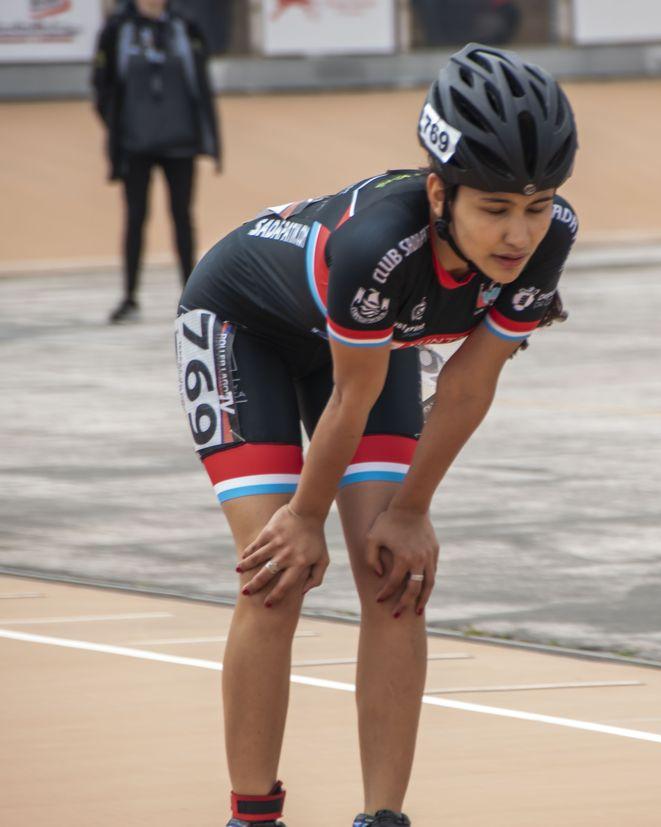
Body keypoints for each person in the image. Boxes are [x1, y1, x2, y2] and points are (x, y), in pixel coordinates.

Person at [173, 43, 578, 827]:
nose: (519, 234)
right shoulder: (378, 244)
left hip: (373, 345)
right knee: (276, 574)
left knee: (396, 575)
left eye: (537, 206)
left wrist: (412, 510)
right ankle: (252, 816)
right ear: (439, 192)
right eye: (495, 208)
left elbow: (468, 384)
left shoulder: (550, 236)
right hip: (244, 325)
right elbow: (351, 397)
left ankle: (383, 816)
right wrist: (303, 516)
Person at [92, 0, 221, 324]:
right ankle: (129, 297)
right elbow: (102, 84)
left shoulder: (184, 27)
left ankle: (192, 296)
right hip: (135, 145)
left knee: (183, 217)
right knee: (135, 217)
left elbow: (201, 84)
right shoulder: (118, 30)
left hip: (181, 142)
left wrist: (209, 138)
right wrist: (119, 128)